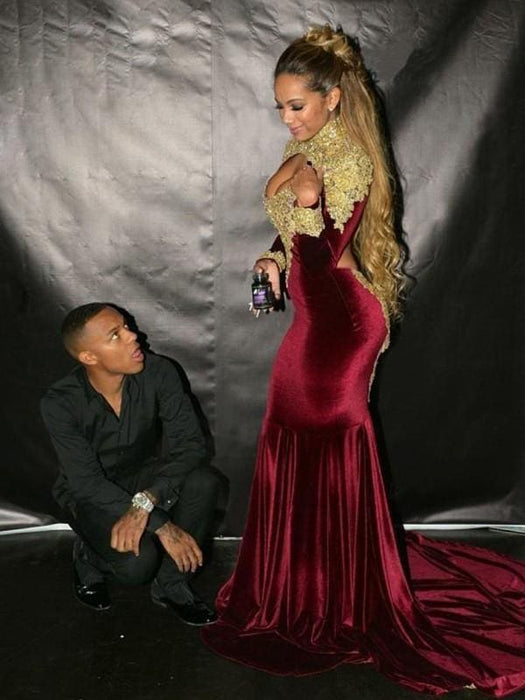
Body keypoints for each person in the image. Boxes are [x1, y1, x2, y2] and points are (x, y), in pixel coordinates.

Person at [202, 25, 525, 694]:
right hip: (311, 321)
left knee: (331, 438)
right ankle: (302, 578)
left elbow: (326, 248)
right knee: (289, 429)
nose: (287, 118)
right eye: (280, 107)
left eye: (297, 105)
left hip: (345, 324)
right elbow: (293, 235)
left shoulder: (346, 159)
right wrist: (272, 254)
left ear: (332, 98)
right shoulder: (306, 148)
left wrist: (311, 205)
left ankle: (344, 594)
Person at [41, 302, 220, 626]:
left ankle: (171, 585)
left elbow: (191, 446)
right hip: (92, 496)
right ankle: (89, 557)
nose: (133, 336)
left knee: (204, 481)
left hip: (144, 478)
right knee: (137, 566)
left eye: (126, 326)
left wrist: (148, 499)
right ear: (89, 357)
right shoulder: (60, 402)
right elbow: (86, 483)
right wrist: (162, 525)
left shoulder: (159, 371)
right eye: (115, 335)